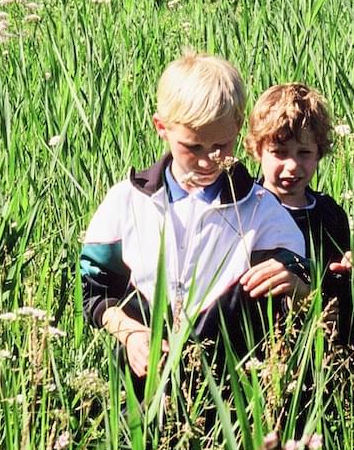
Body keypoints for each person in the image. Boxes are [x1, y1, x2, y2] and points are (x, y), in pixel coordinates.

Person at [79, 52, 308, 392]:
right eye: (193, 146)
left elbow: (304, 292)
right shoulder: (127, 203)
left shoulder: (261, 212)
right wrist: (130, 334)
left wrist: (297, 283)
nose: (207, 160)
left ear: (239, 126)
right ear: (162, 127)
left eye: (221, 145)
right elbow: (96, 296)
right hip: (140, 389)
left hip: (235, 394)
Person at [246, 82, 354, 348]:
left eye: (304, 153)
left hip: (326, 349)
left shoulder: (329, 213)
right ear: (257, 151)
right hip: (264, 348)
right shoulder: (246, 211)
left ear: (319, 154)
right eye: (279, 153)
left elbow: (339, 293)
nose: (292, 166)